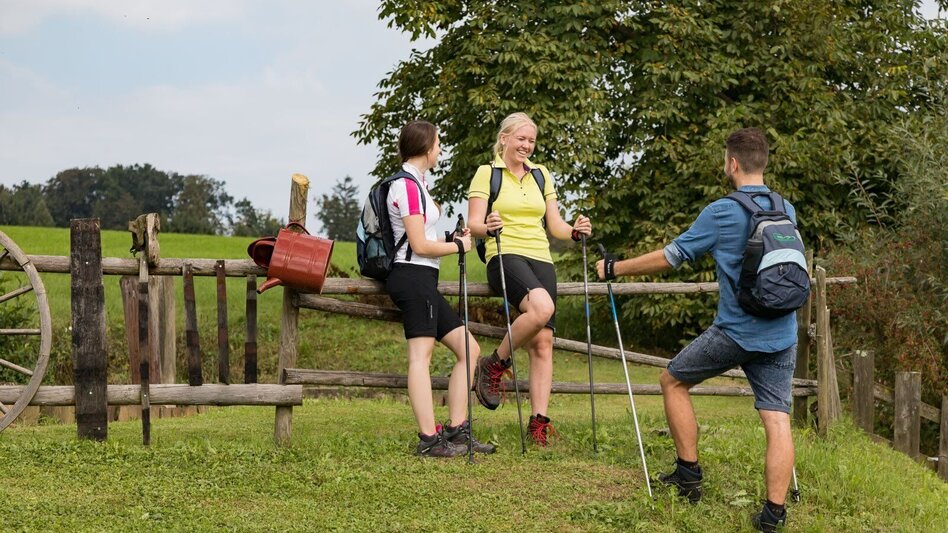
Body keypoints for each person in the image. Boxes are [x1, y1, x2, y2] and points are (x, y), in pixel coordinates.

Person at [596, 128, 797, 532]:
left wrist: (614, 269)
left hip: (736, 332)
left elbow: (672, 257)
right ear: (764, 162)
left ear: (733, 163)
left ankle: (688, 476)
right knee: (777, 420)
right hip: (782, 332)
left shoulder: (722, 211)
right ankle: (773, 517)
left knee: (672, 380)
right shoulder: (786, 208)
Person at [467, 112, 592, 446]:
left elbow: (555, 225)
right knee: (540, 309)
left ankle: (538, 424)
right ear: (504, 138)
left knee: (543, 342)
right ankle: (494, 365)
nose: (526, 145)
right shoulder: (487, 173)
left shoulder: (541, 175)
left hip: (540, 257)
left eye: (531, 140)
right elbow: (474, 224)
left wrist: (575, 232)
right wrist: (488, 226)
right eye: (520, 138)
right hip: (504, 254)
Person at [386, 120, 494, 457]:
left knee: (469, 349)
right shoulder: (405, 186)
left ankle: (456, 430)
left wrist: (449, 239)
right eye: (438, 144)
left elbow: (422, 237)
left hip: (422, 277)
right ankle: (429, 440)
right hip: (411, 276)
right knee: (420, 356)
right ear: (426, 146)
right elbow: (418, 244)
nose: (441, 150)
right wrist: (457, 248)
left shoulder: (417, 183)